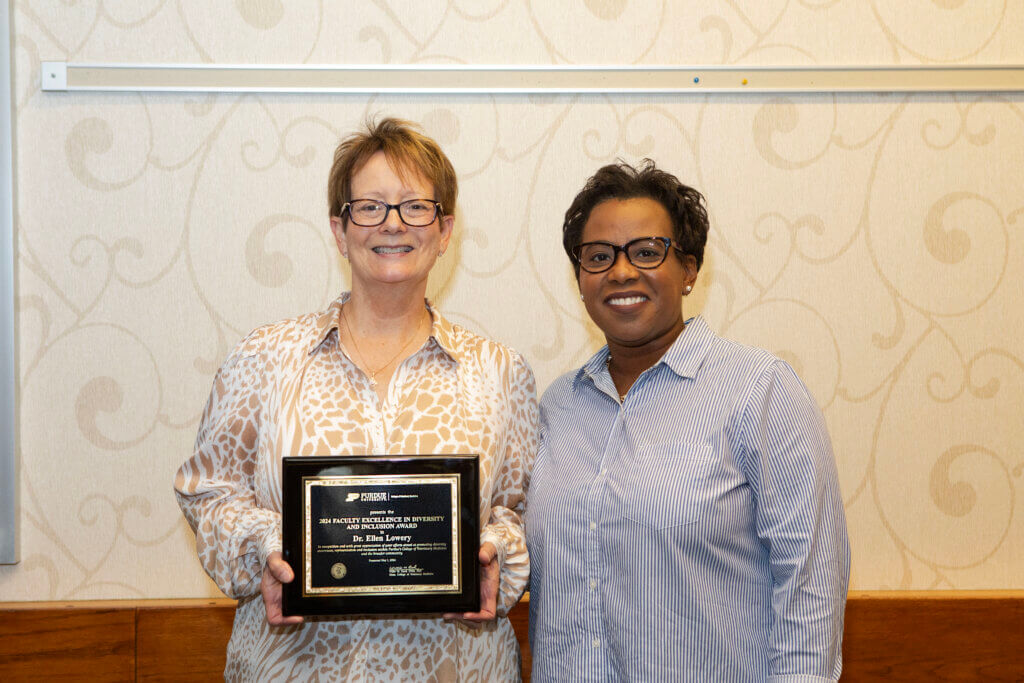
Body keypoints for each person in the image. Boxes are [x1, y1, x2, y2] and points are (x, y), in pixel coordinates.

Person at [175, 117, 537, 681]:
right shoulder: (264, 359)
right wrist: (268, 547)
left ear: (444, 231)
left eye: (415, 206)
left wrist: (491, 553)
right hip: (294, 668)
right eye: (369, 206)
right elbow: (207, 493)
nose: (392, 224)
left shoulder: (499, 372)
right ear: (339, 230)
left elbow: (519, 510)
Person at [525, 160, 849, 682]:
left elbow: (810, 579)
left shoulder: (760, 390)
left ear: (690, 270)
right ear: (580, 277)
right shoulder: (558, 407)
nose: (622, 272)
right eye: (598, 256)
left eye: (648, 252)